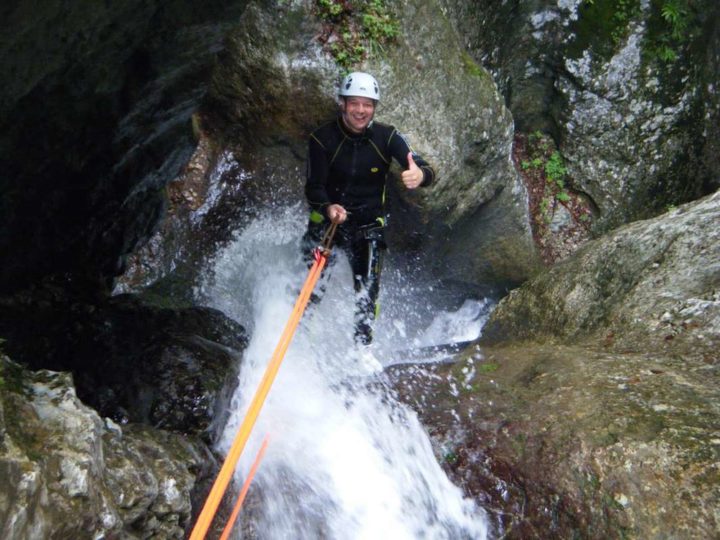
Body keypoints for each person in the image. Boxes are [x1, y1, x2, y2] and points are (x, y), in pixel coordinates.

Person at [304, 71, 435, 346]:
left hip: (368, 226)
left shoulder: (387, 138)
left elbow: (424, 167)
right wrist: (329, 208)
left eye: (367, 104)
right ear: (343, 104)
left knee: (367, 293)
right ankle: (298, 336)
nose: (361, 110)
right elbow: (313, 188)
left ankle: (361, 351)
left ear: (374, 108)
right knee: (311, 288)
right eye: (355, 103)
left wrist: (420, 175)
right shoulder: (322, 139)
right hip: (328, 221)